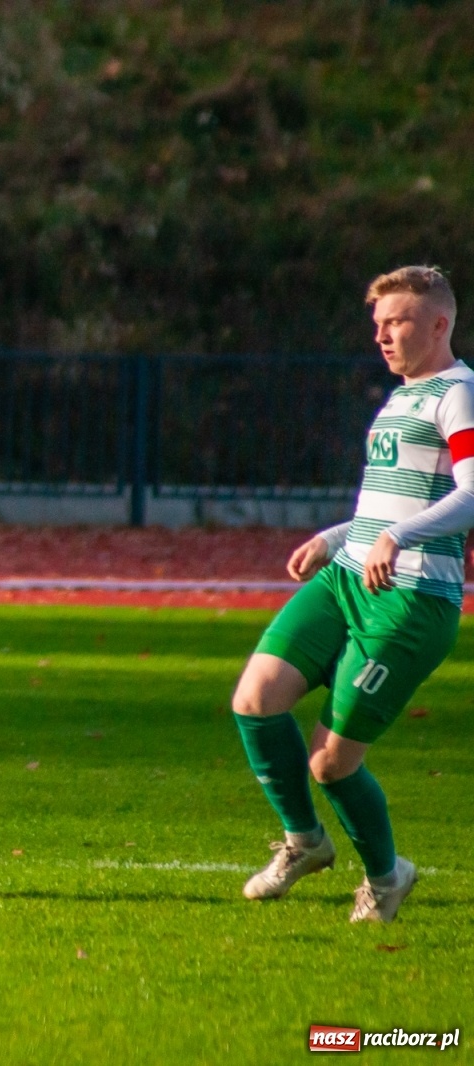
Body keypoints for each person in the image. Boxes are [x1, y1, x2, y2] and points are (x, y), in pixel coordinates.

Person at [230, 265, 473, 922]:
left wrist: (398, 538)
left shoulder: (458, 394)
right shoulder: (400, 397)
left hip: (411, 598)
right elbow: (392, 497)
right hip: (349, 578)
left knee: (331, 763)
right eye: (378, 325)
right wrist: (338, 539)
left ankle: (388, 876)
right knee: (255, 699)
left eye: (396, 321)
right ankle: (304, 842)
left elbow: (472, 492)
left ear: (439, 324)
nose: (383, 336)